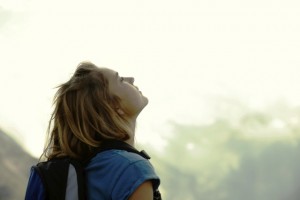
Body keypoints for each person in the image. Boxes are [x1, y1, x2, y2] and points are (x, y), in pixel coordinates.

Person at [29, 61, 161, 199]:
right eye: (120, 80)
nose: (131, 79)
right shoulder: (133, 170)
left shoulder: (79, 167)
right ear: (113, 105)